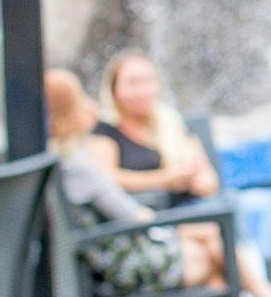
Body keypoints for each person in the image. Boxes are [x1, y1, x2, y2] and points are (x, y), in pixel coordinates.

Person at [47, 69, 271, 297]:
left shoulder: (162, 127)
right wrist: (168, 199)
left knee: (214, 245)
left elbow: (207, 183)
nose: (90, 106)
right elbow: (130, 214)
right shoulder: (81, 162)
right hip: (124, 267)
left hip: (127, 251)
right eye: (82, 99)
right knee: (216, 253)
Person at [90, 51, 214, 208]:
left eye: (147, 81)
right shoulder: (105, 129)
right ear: (113, 89)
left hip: (190, 206)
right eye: (132, 83)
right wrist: (163, 179)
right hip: (142, 214)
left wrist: (196, 181)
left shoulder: (172, 121)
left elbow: (208, 179)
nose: (142, 91)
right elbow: (105, 178)